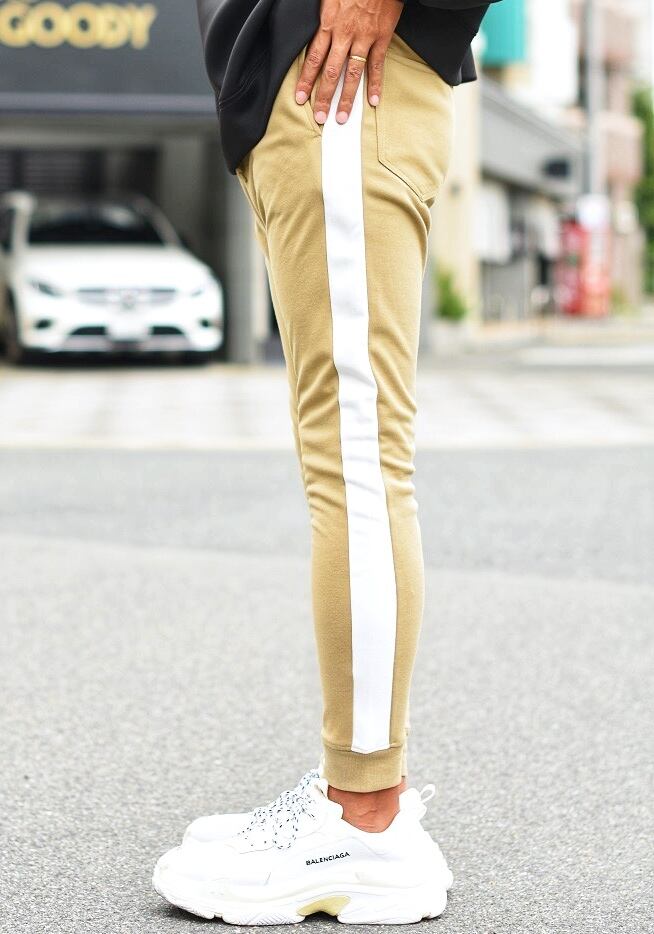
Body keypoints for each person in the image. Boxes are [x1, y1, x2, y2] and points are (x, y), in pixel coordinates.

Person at [154, 0, 499, 924]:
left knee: (357, 458)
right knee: (341, 455)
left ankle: (366, 818)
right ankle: (358, 801)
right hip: (301, 90)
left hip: (344, 78)